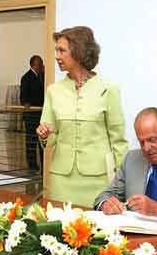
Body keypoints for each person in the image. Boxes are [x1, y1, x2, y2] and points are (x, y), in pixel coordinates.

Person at [36, 26, 128, 207]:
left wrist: (123, 182)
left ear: (78, 52)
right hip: (61, 180)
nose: (57, 56)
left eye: (61, 50)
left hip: (98, 180)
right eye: (56, 50)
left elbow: (118, 140)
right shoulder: (53, 91)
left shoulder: (108, 89)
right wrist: (44, 135)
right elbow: (49, 138)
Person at [20, 55, 45, 172]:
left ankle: (43, 164)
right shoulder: (26, 77)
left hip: (41, 114)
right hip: (31, 115)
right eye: (40, 63)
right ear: (33, 65)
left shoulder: (44, 76)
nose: (42, 65)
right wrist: (26, 103)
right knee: (31, 141)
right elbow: (23, 97)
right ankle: (32, 165)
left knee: (41, 140)